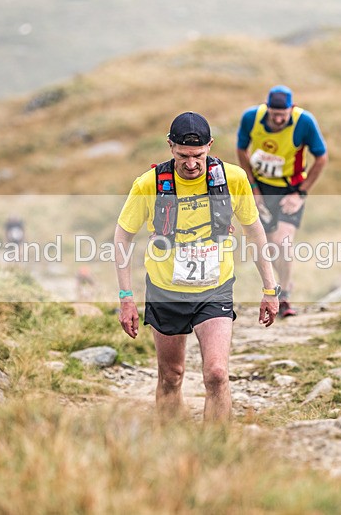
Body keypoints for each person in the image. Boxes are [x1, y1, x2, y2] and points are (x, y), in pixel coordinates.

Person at [115, 111, 280, 423]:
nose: (191, 164)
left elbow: (255, 232)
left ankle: (216, 452)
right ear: (170, 147)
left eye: (199, 156)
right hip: (166, 292)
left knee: (217, 374)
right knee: (171, 377)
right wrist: (126, 296)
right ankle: (172, 445)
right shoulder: (148, 184)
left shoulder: (233, 179)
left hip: (214, 289)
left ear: (211, 147)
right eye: (183, 156)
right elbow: (122, 236)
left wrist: (270, 288)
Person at [236, 85, 328, 317]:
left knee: (282, 242)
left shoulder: (304, 122)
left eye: (283, 114)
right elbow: (241, 149)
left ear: (291, 109)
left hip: (290, 189)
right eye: (274, 114)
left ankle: (285, 294)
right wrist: (253, 187)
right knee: (265, 245)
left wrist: (301, 193)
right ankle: (277, 286)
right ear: (267, 108)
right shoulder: (251, 118)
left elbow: (321, 158)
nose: (277, 119)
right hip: (261, 188)